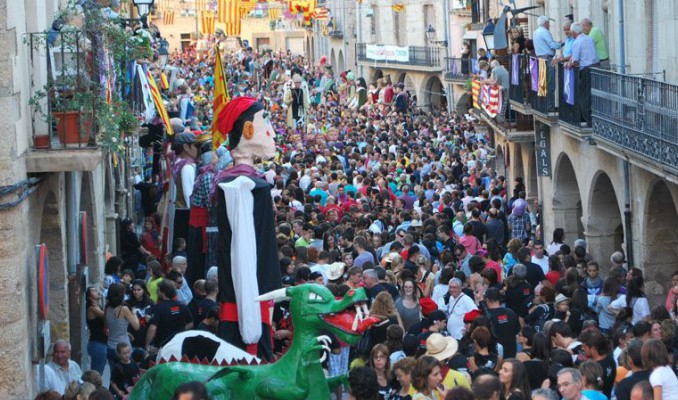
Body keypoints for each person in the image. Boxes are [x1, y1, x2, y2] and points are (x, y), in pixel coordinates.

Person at [565, 23, 600, 125]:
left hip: (586, 69)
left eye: (571, 32)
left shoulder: (576, 42)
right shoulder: (588, 38)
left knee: (583, 95)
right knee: (593, 94)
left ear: (574, 32)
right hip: (596, 67)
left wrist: (570, 64)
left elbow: (575, 61)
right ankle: (593, 118)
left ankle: (587, 119)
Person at [145, 279, 193, 352]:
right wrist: (178, 331)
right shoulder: (182, 306)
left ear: (163, 292)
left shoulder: (158, 308)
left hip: (162, 346)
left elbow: (153, 328)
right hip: (179, 345)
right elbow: (190, 323)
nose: (157, 292)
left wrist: (146, 345)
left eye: (158, 290)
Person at [105, 282, 140, 368]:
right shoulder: (123, 309)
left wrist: (125, 332)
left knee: (114, 376)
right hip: (123, 348)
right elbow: (136, 326)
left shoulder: (107, 308)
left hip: (110, 346)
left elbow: (108, 325)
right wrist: (134, 313)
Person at [479, 287, 520, 358]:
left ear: (487, 300)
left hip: (494, 357)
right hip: (511, 354)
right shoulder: (511, 313)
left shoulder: (486, 317)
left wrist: (481, 301)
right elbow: (517, 331)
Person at [532, 16, 562, 111]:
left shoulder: (536, 32)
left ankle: (544, 106)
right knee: (550, 83)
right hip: (547, 59)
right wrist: (561, 44)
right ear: (545, 23)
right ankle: (550, 107)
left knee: (543, 84)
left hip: (540, 59)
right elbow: (552, 45)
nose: (549, 25)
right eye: (548, 23)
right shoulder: (545, 31)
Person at [86, 287, 107, 375]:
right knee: (96, 375)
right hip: (97, 344)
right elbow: (107, 316)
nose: (97, 291)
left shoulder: (99, 307)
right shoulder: (91, 309)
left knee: (98, 373)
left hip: (101, 343)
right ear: (90, 297)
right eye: (94, 291)